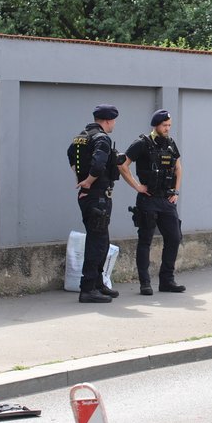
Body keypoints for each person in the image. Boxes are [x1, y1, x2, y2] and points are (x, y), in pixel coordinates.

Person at [119, 109, 186, 295]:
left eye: (169, 125)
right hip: (148, 200)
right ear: (156, 125)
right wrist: (137, 186)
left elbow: (178, 167)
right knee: (145, 240)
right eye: (165, 125)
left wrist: (176, 191)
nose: (168, 129)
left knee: (174, 237)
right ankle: (145, 283)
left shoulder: (171, 144)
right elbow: (122, 164)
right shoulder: (142, 143)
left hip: (166, 199)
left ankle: (167, 281)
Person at [67, 104, 123, 303]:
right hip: (97, 195)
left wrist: (80, 180)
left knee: (102, 240)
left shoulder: (82, 136)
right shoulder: (102, 138)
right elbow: (99, 164)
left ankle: (99, 284)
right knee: (96, 242)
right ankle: (88, 288)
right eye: (114, 121)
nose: (114, 124)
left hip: (90, 195)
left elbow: (70, 155)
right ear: (108, 120)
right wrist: (89, 182)